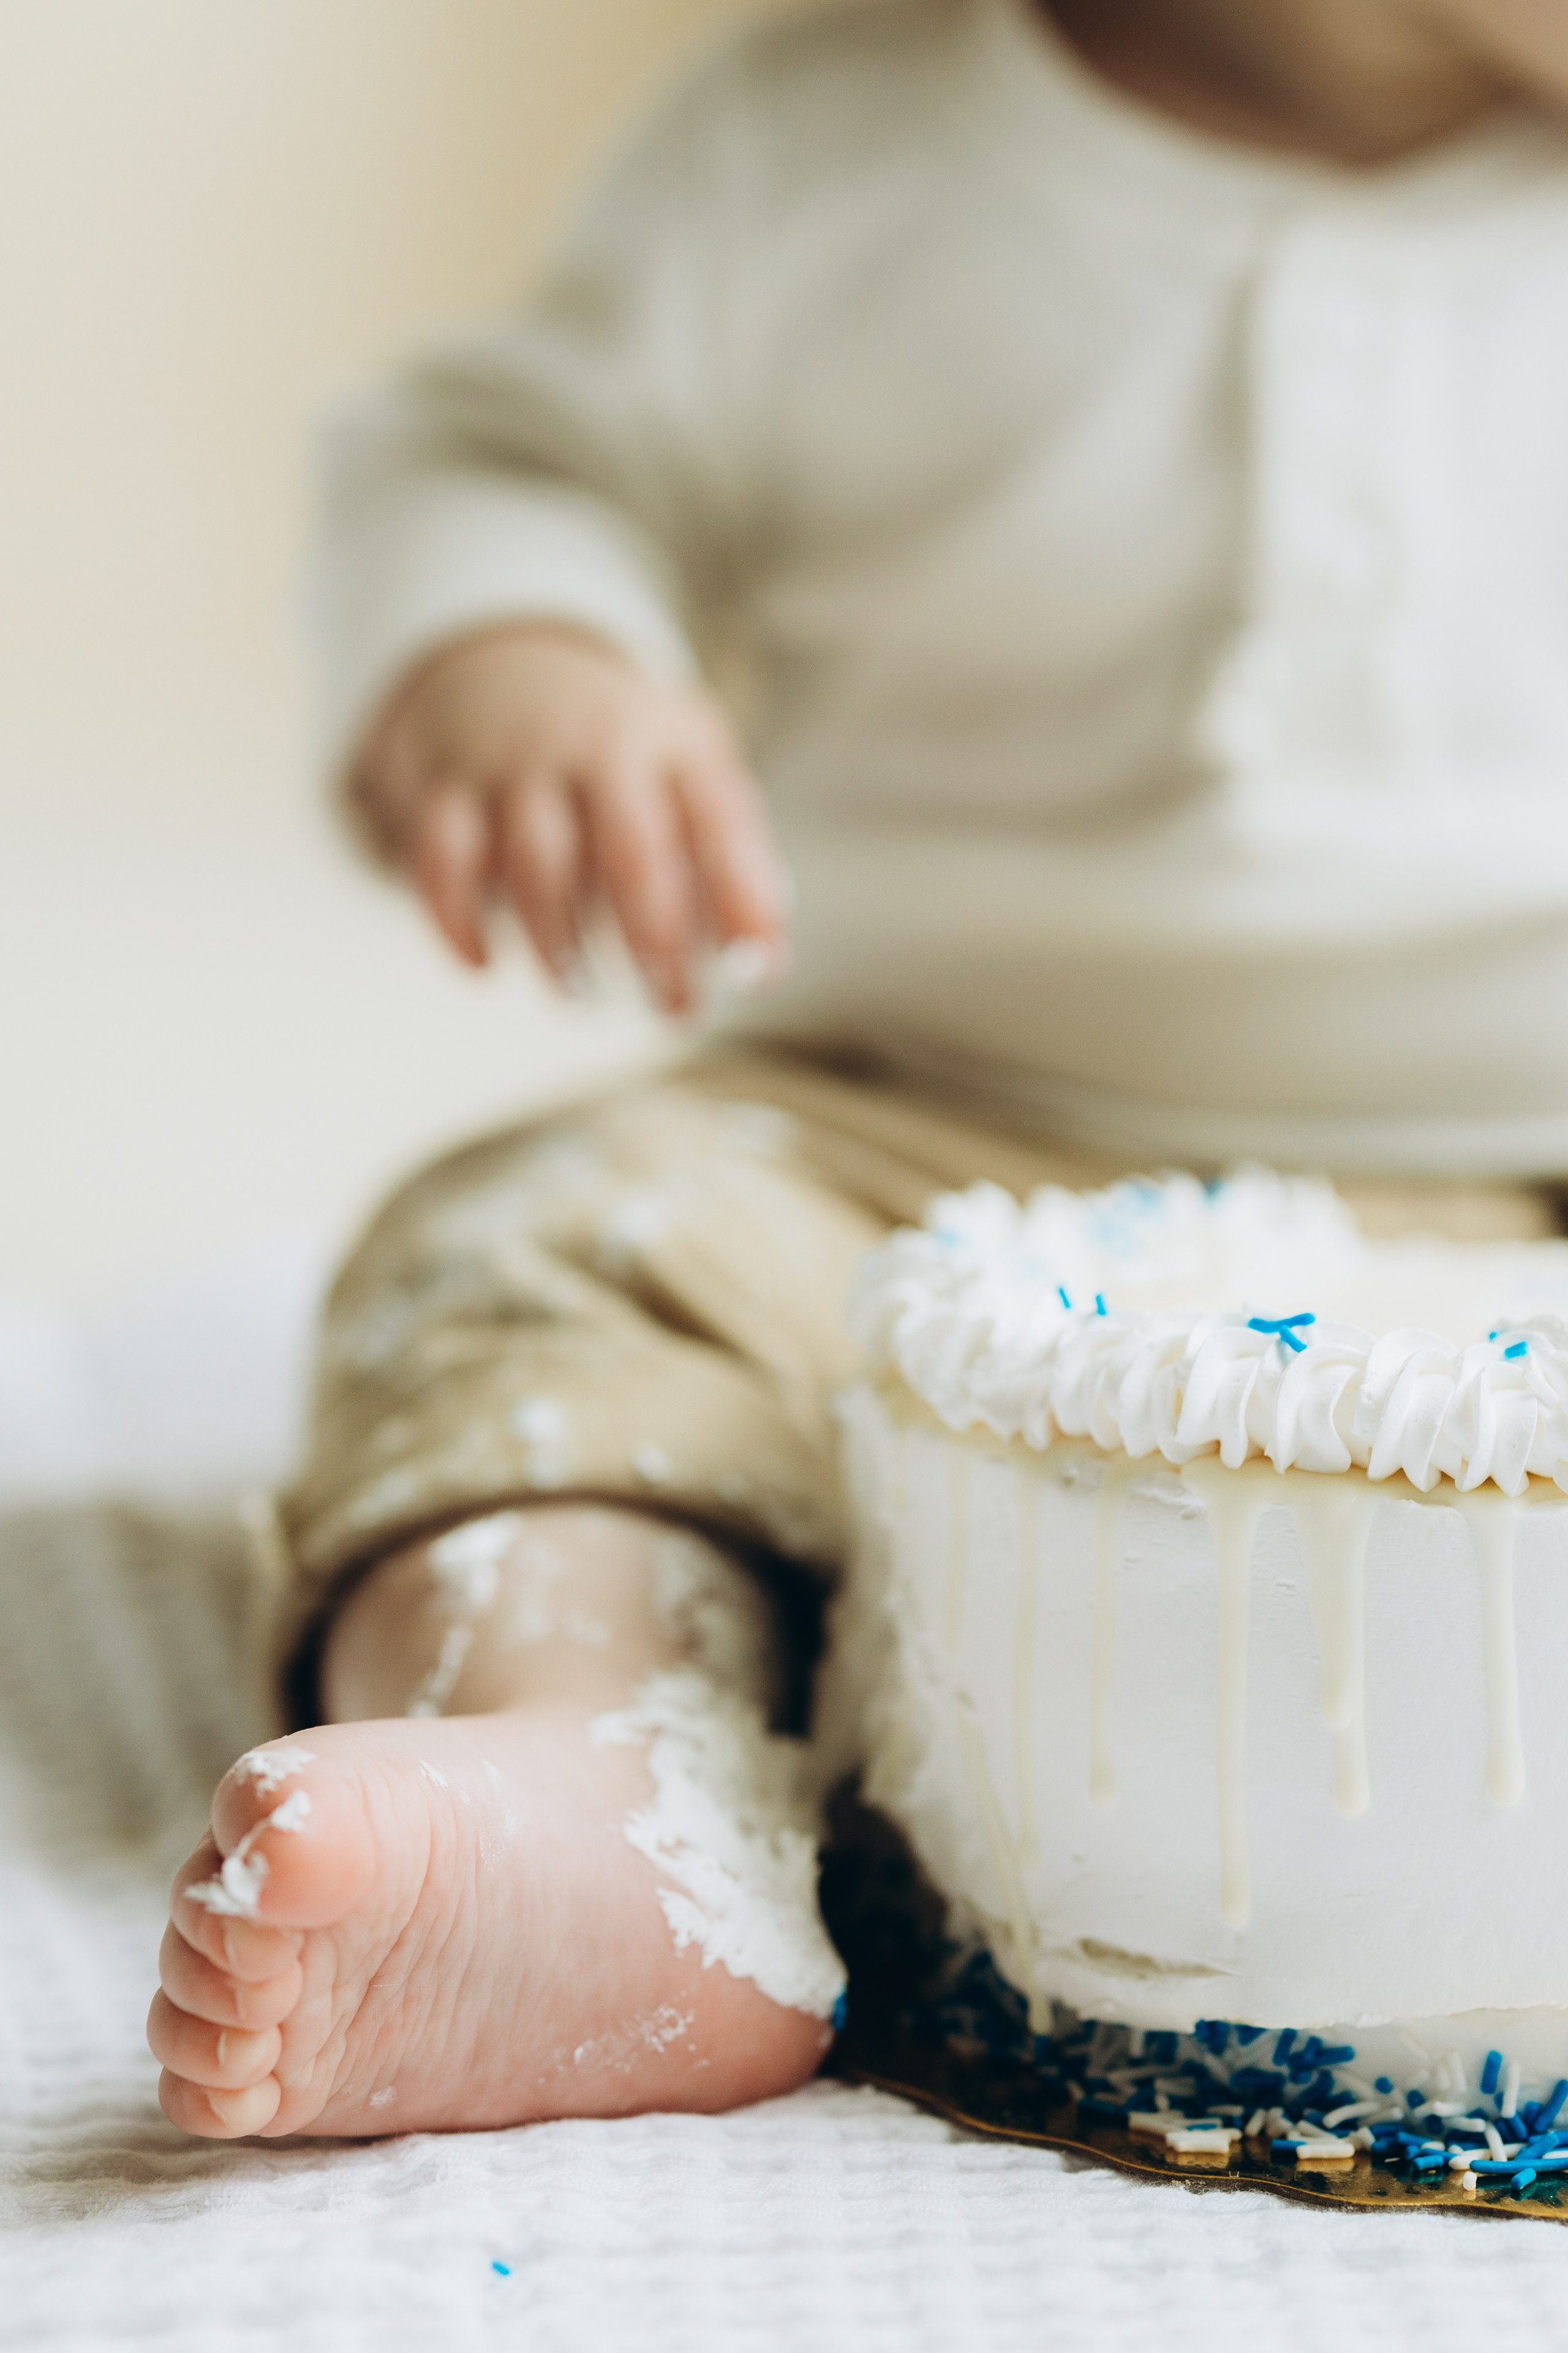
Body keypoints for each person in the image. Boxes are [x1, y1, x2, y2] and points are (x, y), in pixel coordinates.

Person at [149, 0, 1568, 2138]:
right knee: (541, 1245)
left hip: (1532, 1158)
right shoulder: (806, 159)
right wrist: (522, 639)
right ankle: (606, 1780)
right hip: (903, 1141)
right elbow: (505, 457)